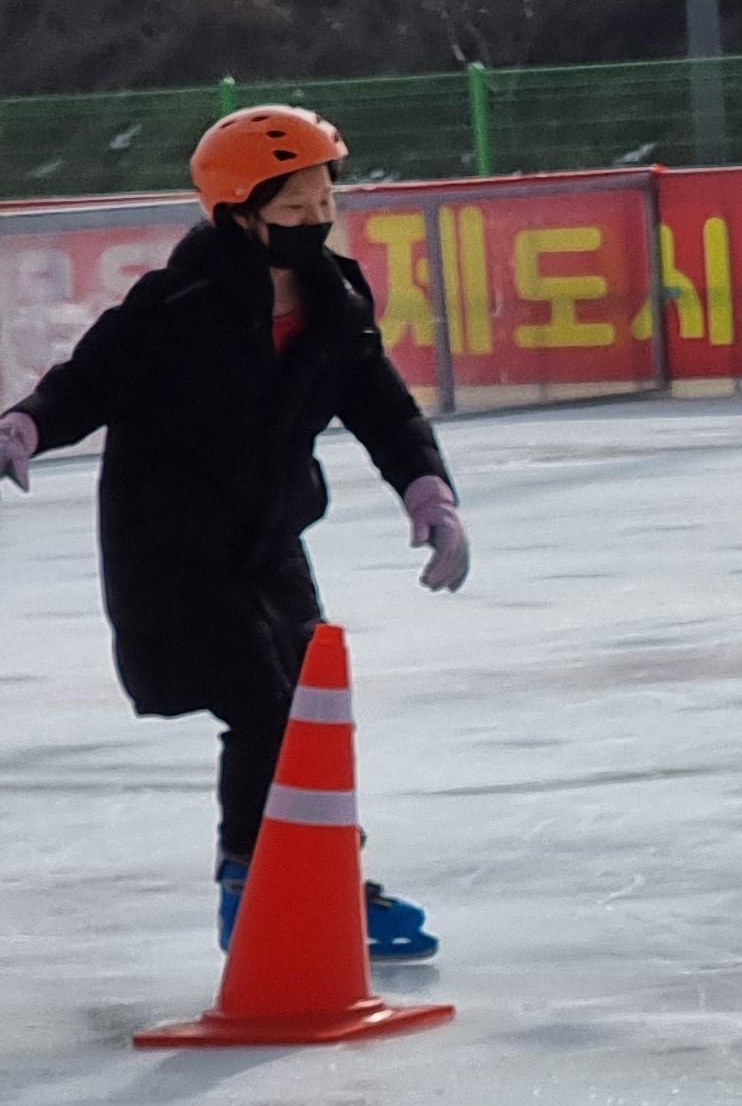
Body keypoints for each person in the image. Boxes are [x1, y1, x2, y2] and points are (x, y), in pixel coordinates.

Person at [0, 103, 470, 958]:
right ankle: (250, 887)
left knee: (316, 714)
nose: (315, 220)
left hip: (269, 542)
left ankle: (327, 881)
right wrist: (26, 425)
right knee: (265, 710)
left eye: (324, 201)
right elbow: (90, 380)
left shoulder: (337, 300)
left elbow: (382, 406)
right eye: (293, 208)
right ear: (239, 214)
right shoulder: (176, 303)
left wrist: (427, 491)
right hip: (172, 550)